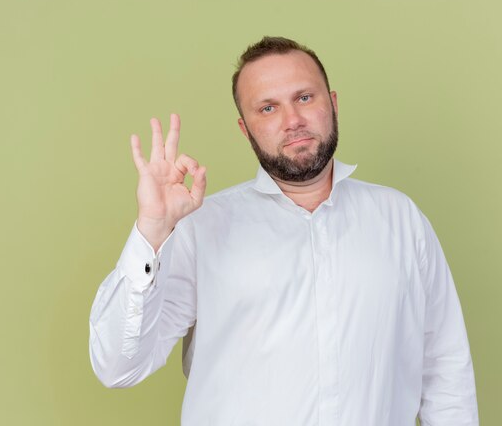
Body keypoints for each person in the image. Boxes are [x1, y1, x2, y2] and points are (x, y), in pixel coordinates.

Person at [89, 36, 479, 426]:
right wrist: (153, 231)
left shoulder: (401, 219)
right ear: (245, 129)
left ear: (334, 104)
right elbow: (118, 367)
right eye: (268, 107)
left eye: (305, 98)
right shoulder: (202, 228)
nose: (292, 120)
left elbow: (445, 372)